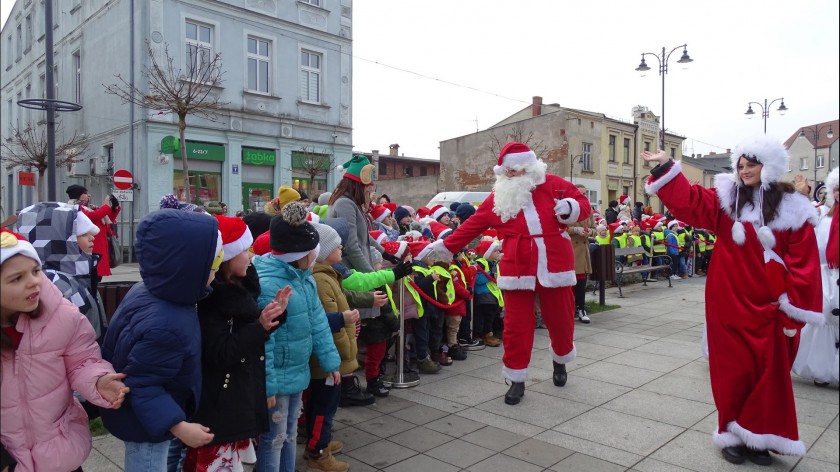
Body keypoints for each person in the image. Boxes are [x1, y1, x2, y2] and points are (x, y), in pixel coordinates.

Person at [643, 135, 823, 466]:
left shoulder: (794, 208)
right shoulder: (727, 200)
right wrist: (668, 167)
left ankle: (758, 437)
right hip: (728, 303)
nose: (744, 170)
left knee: (769, 375)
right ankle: (732, 434)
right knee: (732, 373)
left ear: (768, 166)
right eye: (740, 165)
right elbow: (691, 201)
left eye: (750, 164)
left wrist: (792, 311)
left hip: (771, 310)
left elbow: (804, 264)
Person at [428, 142, 591, 405]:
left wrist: (571, 207)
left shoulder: (554, 184)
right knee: (516, 327)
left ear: (529, 168)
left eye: (515, 171)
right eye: (507, 172)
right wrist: (443, 248)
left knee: (561, 320)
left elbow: (584, 204)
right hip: (517, 265)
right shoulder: (498, 197)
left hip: (555, 261)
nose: (510, 176)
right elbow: (472, 226)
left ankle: (560, 361)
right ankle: (517, 379)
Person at [100, 210, 222, 471]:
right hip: (146, 424)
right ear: (187, 268)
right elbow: (142, 383)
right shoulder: (168, 322)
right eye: (212, 265)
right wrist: (178, 426)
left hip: (143, 415)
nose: (216, 271)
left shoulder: (154, 290)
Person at [1, 228, 129, 472]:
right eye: (16, 278)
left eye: (35, 271)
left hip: (58, 451)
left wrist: (98, 380)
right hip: (9, 456)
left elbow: (83, 358)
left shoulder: (60, 315)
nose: (33, 283)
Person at [184, 216, 290, 471]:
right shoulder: (214, 299)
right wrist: (261, 326)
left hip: (236, 398)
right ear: (228, 257)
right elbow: (220, 352)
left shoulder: (239, 289)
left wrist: (274, 314)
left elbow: (249, 330)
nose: (251, 256)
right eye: (246, 250)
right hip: (220, 404)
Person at [253, 202, 341, 472]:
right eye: (312, 252)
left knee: (289, 433)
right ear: (298, 255)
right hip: (277, 380)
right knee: (273, 440)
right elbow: (263, 340)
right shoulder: (268, 285)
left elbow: (317, 321)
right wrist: (267, 386)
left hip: (297, 372)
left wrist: (330, 361)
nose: (316, 255)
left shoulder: (304, 277)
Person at [17, 203, 109, 343]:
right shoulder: (55, 286)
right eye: (83, 234)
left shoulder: (75, 277)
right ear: (60, 242)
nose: (92, 238)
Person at [792, 167, 839, 386]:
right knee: (823, 318)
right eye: (836, 189)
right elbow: (802, 218)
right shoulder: (823, 215)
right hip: (825, 276)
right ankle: (822, 369)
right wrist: (802, 195)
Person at [67, 184, 121, 276]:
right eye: (85, 193)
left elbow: (107, 221)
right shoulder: (75, 208)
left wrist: (114, 208)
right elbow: (94, 216)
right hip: (91, 245)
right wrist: (106, 205)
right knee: (93, 274)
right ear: (78, 195)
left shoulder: (90, 207)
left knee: (97, 276)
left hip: (99, 244)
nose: (89, 195)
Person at [568, 184, 594, 323]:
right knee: (570, 283)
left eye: (585, 193)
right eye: (580, 193)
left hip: (583, 250)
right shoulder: (567, 208)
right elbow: (561, 228)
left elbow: (594, 228)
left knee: (581, 282)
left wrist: (590, 232)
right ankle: (570, 309)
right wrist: (575, 230)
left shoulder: (588, 209)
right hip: (571, 248)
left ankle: (581, 309)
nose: (583, 196)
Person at [473, 239, 503, 346]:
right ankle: (484, 334)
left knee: (492, 315)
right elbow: (479, 280)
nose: (498, 253)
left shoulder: (494, 263)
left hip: (492, 294)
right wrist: (490, 275)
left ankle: (489, 332)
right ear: (488, 253)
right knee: (484, 316)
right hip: (484, 294)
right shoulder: (481, 263)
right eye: (495, 251)